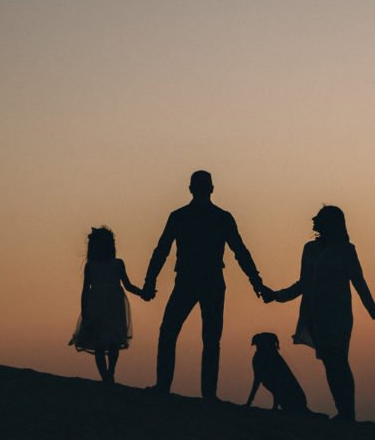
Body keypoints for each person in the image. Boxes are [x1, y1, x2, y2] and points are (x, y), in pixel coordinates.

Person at [141, 170, 266, 400]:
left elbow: (161, 251)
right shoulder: (220, 217)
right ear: (211, 189)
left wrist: (150, 281)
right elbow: (240, 252)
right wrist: (256, 282)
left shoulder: (181, 216)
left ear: (191, 189)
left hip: (192, 280)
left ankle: (167, 386)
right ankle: (206, 393)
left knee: (172, 332)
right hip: (207, 280)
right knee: (207, 338)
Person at [263, 205, 375, 422]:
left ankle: (348, 412)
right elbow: (303, 283)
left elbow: (359, 283)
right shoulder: (310, 249)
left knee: (339, 360)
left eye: (319, 218)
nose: (314, 220)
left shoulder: (346, 250)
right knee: (330, 363)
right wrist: (277, 296)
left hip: (338, 314)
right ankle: (344, 411)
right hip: (316, 315)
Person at [69, 227, 144, 384]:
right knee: (101, 342)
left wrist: (142, 293)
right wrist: (84, 309)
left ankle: (109, 373)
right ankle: (107, 376)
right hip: (98, 305)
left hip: (112, 305)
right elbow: (85, 289)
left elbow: (128, 285)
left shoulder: (116, 264)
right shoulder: (92, 266)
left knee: (112, 340)